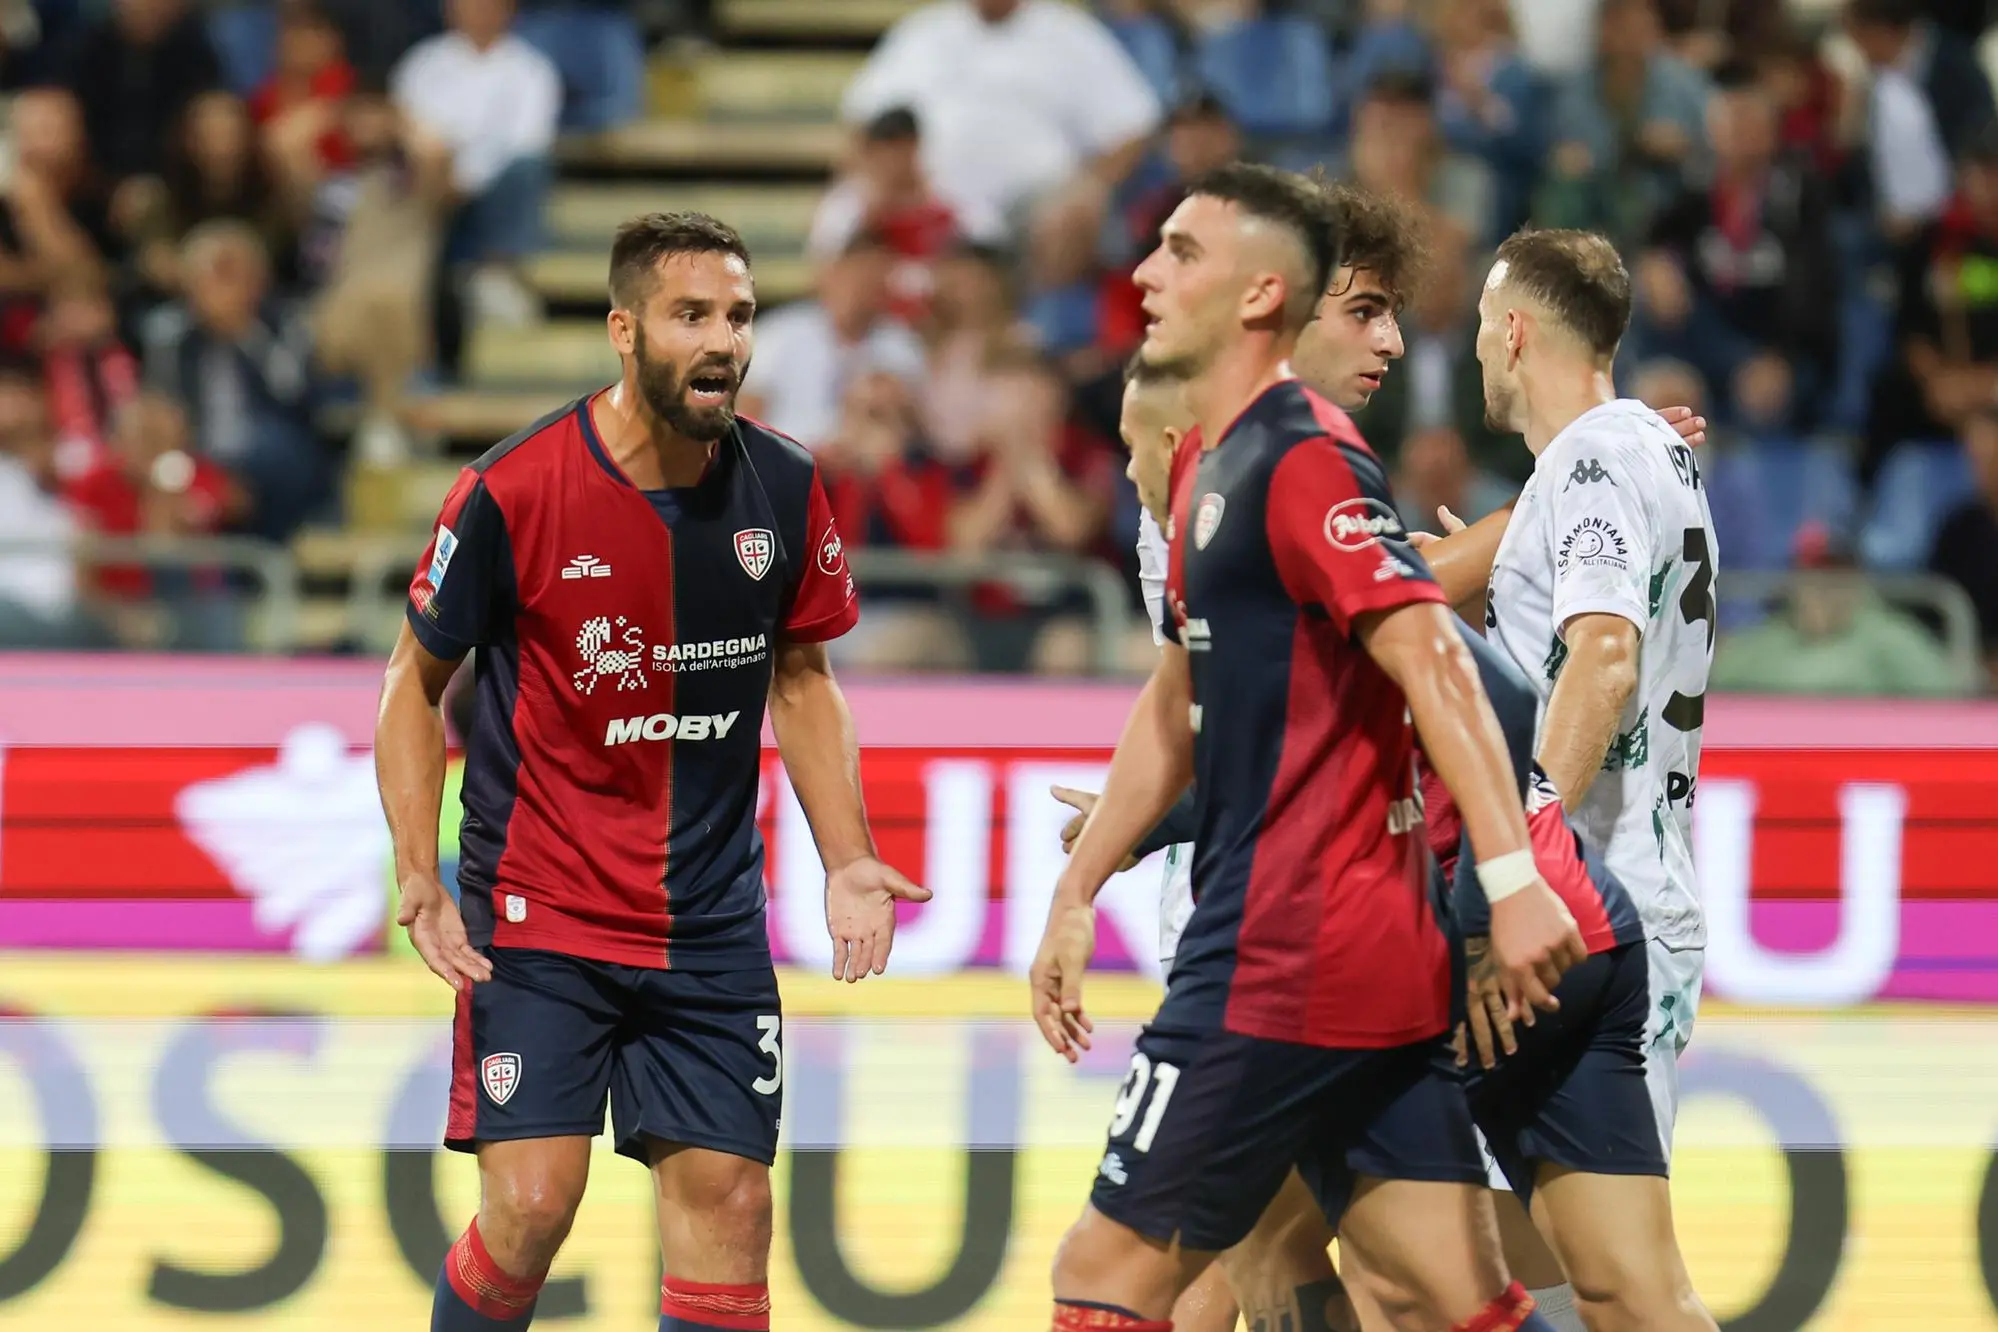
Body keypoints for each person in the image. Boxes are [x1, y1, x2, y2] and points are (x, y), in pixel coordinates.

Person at [1056, 186, 1710, 1332]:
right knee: (1467, 1288)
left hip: (1318, 932)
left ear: (1267, 296)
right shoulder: (1235, 462)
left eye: (1179, 254)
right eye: (1368, 313)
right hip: (1517, 912)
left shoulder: (1286, 464)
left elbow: (1458, 674)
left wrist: (1508, 879)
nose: (1396, 344)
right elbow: (1214, 703)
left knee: (1161, 1267)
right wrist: (1101, 859)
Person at [373, 211, 930, 1332]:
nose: (723, 341)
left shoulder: (783, 487)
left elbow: (805, 683)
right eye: (692, 316)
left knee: (730, 1204)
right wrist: (418, 872)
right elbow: (409, 689)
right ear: (625, 332)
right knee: (533, 1205)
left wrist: (850, 858)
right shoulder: (511, 491)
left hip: (711, 921)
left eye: (739, 316)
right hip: (541, 911)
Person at [1410, 227, 1720, 1331]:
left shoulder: (1591, 460)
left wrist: (1518, 859)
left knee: (1614, 1288)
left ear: (1513, 330)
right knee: (1552, 1275)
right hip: (1623, 894)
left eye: (1483, 329)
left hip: (1586, 903)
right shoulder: (1644, 454)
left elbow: (1603, 652)